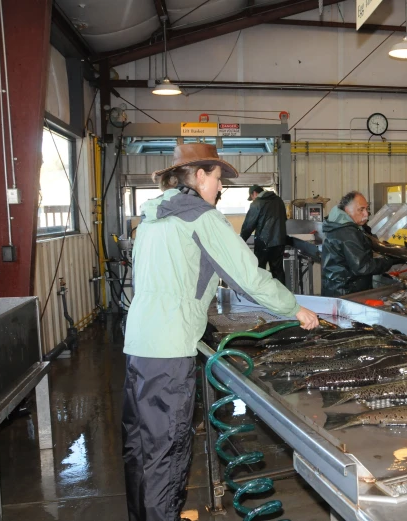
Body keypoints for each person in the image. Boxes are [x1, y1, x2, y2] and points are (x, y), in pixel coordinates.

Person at [121, 143, 318, 521]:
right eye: (216, 178)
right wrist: (294, 307)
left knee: (141, 446)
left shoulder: (150, 219)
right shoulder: (202, 217)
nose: (220, 188)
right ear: (198, 176)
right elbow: (248, 277)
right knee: (167, 449)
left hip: (139, 344)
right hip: (170, 348)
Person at [321, 191, 397, 297]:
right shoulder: (347, 232)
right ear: (347, 210)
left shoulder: (340, 224)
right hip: (347, 292)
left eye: (366, 209)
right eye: (361, 209)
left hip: (336, 288)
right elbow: (363, 267)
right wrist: (390, 261)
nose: (366, 214)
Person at [240, 185, 287, 284]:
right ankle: (282, 295)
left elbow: (249, 225)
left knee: (260, 271)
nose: (252, 199)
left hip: (263, 242)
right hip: (279, 242)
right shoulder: (279, 201)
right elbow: (284, 220)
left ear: (254, 193)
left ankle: (262, 297)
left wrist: (241, 240)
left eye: (251, 197)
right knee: (278, 270)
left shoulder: (257, 203)